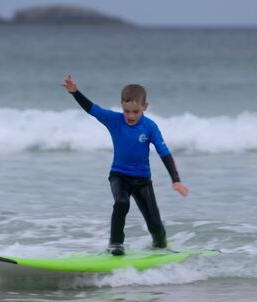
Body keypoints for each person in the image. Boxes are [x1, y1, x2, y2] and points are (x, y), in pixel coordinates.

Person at [61, 74, 189, 256]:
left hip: (143, 180)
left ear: (145, 107)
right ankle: (115, 244)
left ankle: (161, 246)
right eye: (127, 111)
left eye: (135, 112)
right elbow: (93, 109)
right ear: (122, 105)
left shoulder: (150, 127)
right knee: (121, 202)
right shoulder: (114, 120)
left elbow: (164, 152)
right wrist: (75, 92)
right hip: (119, 175)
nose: (130, 116)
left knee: (155, 223)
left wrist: (176, 180)